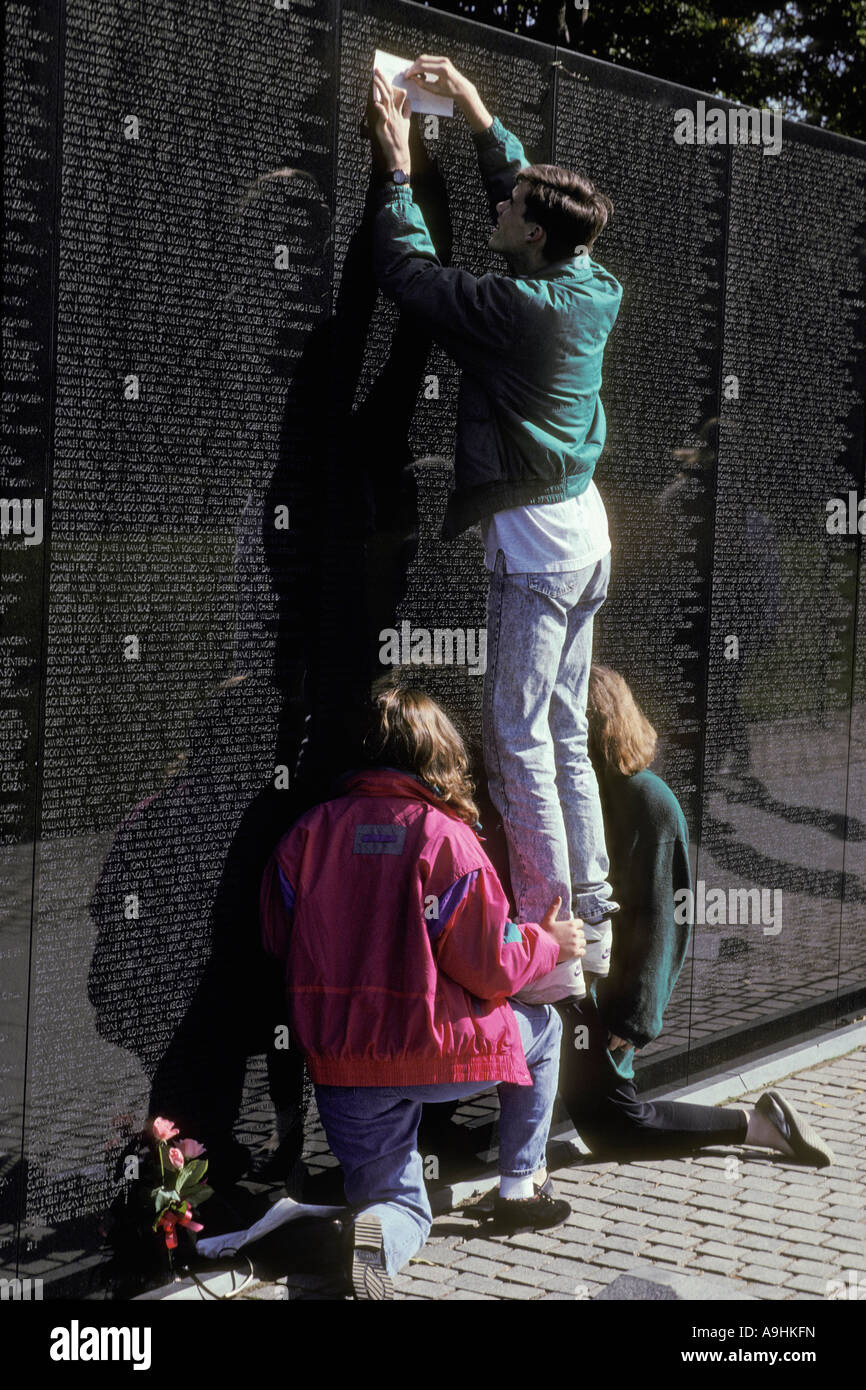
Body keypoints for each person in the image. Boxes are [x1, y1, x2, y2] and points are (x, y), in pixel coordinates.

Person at [369, 57, 623, 1001]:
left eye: (512, 204)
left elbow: (408, 273)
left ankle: (550, 941)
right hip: (585, 534)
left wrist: (398, 168)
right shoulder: (590, 282)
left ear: (538, 234)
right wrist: (476, 113)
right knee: (559, 732)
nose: (499, 206)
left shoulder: (516, 311)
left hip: (539, 547)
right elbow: (533, 204)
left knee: (516, 737)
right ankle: (588, 918)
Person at [260, 677, 586, 1299]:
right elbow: (490, 964)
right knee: (544, 1031)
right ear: (436, 754)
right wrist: (549, 943)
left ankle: (379, 1232)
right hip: (440, 1053)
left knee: (397, 1202)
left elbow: (278, 936)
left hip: (342, 1063)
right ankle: (520, 1184)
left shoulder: (307, 835)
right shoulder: (445, 839)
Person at [555, 664, 834, 1166]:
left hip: (605, 995)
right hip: (567, 980)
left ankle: (756, 1124)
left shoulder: (648, 801)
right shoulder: (575, 795)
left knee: (617, 1127)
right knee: (603, 1123)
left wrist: (635, 1016)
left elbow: (666, 919)